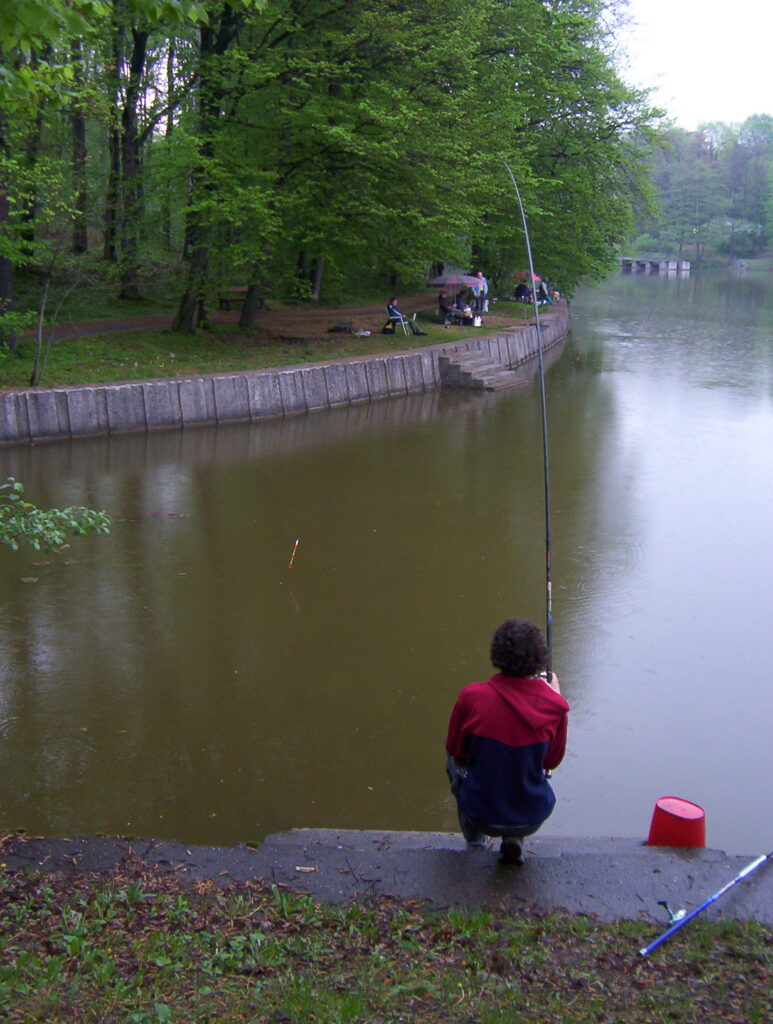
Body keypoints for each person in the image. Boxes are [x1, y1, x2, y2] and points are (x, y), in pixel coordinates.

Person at [445, 617, 569, 865]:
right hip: (532, 815)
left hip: (481, 813)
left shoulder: (471, 697)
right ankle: (514, 838)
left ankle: (475, 842)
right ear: (539, 658)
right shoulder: (555, 706)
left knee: (453, 759)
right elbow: (552, 761)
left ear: (496, 654)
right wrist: (553, 694)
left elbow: (456, 749)